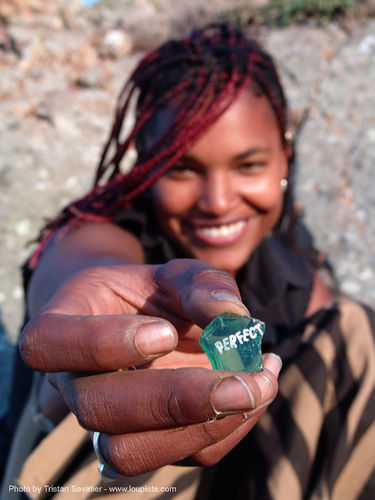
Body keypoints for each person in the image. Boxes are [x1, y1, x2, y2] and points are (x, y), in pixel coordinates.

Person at [3, 23, 375, 499]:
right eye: (182, 168)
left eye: (249, 166)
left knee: (355, 331)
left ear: (285, 158)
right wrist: (94, 319)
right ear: (146, 164)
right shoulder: (103, 236)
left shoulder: (295, 280)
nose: (218, 202)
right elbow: (82, 275)